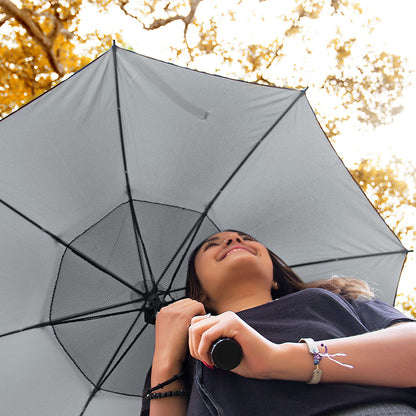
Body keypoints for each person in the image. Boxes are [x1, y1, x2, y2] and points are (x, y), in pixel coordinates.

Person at [141, 230, 416, 416]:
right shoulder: (185, 347)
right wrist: (165, 359)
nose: (233, 239)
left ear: (274, 276)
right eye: (212, 245)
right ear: (199, 293)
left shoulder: (334, 297)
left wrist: (276, 359)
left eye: (244, 238)